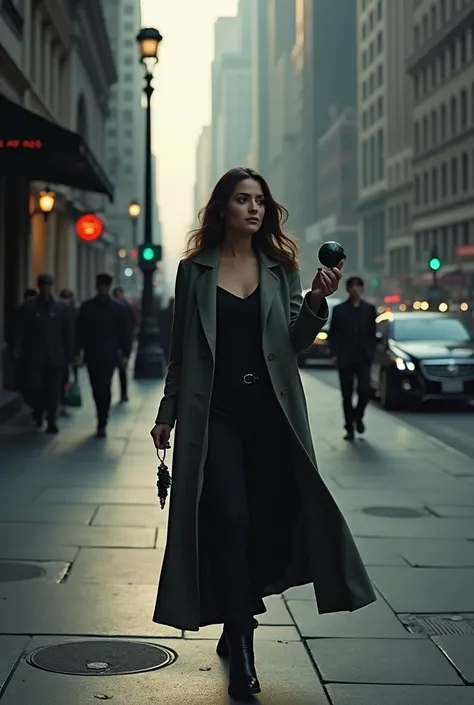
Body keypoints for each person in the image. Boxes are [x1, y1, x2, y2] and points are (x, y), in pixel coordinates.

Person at [150, 167, 376, 699]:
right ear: (222, 208)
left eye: (259, 201)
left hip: (273, 419)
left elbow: (295, 343)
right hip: (217, 418)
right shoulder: (194, 271)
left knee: (258, 526)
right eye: (242, 199)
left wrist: (319, 301)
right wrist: (167, 412)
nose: (253, 208)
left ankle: (236, 618)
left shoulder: (280, 269)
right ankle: (244, 642)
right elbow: (182, 352)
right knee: (229, 518)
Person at [14, 274, 73, 433]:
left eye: (47, 285)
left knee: (54, 390)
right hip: (34, 357)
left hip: (55, 357)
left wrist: (70, 353)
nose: (45, 288)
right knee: (35, 386)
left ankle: (52, 419)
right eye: (43, 285)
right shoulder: (29, 307)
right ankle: (38, 410)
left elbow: (67, 332)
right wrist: (18, 348)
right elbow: (20, 329)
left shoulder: (61, 308)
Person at [75, 274, 131, 438]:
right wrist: (77, 351)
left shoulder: (117, 309)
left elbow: (124, 334)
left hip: (109, 355)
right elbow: (79, 331)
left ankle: (102, 420)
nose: (103, 289)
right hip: (92, 354)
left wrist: (126, 354)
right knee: (95, 387)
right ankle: (101, 414)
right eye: (101, 286)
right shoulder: (87, 307)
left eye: (106, 286)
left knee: (104, 387)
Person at [329, 276, 377, 441]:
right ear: (348, 289)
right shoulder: (340, 310)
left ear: (362, 289)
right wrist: (334, 353)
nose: (355, 289)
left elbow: (372, 334)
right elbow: (333, 334)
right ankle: (349, 427)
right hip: (345, 357)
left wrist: (371, 353)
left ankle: (358, 416)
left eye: (358, 286)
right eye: (352, 286)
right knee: (347, 395)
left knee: (365, 390)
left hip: (363, 358)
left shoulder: (369, 309)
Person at [112, 287, 136, 402]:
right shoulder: (116, 307)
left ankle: (124, 393)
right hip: (113, 345)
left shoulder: (126, 308)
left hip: (122, 344)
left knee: (122, 370)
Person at [59, 289, 79, 416]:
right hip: (60, 351)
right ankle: (62, 400)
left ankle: (65, 400)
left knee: (69, 378)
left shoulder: (75, 312)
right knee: (62, 378)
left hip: (70, 351)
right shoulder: (59, 311)